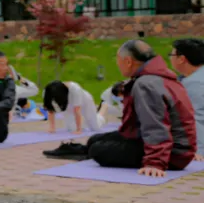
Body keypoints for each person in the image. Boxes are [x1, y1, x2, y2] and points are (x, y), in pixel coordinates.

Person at [84, 41, 196, 177]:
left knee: (97, 150)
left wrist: (155, 162)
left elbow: (155, 124)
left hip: (174, 154)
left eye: (118, 61)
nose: (118, 65)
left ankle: (156, 158)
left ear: (128, 61)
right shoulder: (159, 76)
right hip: (173, 145)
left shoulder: (146, 83)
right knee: (94, 140)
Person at [168, 38, 204, 162]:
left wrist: (197, 151)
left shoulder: (194, 83)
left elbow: (196, 118)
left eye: (171, 55)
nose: (170, 58)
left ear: (181, 59)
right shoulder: (193, 78)